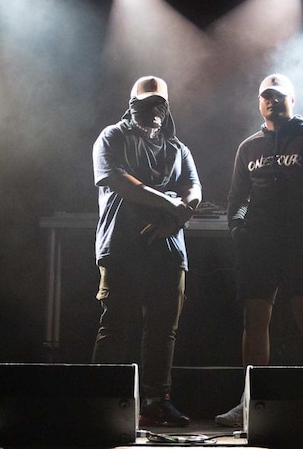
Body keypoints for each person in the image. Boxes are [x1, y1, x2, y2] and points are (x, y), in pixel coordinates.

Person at [215, 73, 303, 427]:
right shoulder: (249, 147)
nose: (272, 101)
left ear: (293, 99)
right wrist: (237, 228)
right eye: (266, 96)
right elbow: (236, 197)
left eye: (279, 95)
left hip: (299, 243)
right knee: (256, 319)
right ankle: (251, 403)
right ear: (259, 103)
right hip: (258, 245)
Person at [92, 75, 202, 427]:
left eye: (159, 103)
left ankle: (156, 401)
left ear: (166, 108)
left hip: (169, 252)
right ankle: (103, 400)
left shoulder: (178, 149)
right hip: (122, 248)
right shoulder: (112, 137)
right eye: (144, 103)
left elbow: (194, 189)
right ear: (130, 104)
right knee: (116, 325)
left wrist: (173, 222)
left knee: (162, 329)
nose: (152, 110)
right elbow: (122, 182)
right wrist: (171, 203)